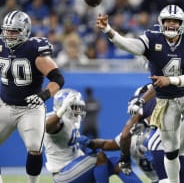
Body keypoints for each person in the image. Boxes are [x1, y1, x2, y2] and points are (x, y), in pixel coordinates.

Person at [97, 4, 184, 183]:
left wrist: (169, 80)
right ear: (161, 22)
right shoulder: (152, 39)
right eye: (167, 20)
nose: (171, 24)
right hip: (168, 103)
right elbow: (131, 46)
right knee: (176, 152)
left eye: (175, 21)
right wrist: (109, 30)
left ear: (182, 23)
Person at [0, 10, 64, 183]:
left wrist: (44, 95)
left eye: (14, 31)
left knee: (35, 148)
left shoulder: (34, 50)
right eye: (6, 30)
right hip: (4, 105)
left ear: (25, 31)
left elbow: (58, 79)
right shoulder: (1, 46)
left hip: (30, 109)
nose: (8, 34)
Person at [44, 88, 141, 183]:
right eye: (74, 107)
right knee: (99, 156)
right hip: (63, 173)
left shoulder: (71, 121)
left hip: (75, 168)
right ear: (63, 106)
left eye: (79, 107)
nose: (78, 110)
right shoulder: (55, 120)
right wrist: (61, 111)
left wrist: (87, 145)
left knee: (119, 163)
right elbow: (48, 127)